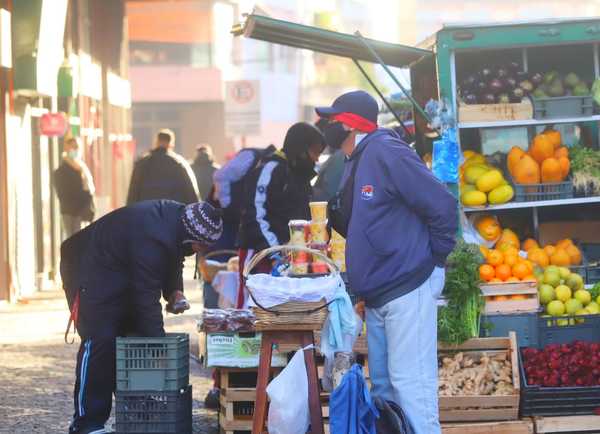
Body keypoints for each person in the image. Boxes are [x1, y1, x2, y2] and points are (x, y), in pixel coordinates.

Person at [316, 90, 458, 434]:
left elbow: (442, 204)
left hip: (407, 285)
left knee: (411, 386)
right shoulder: (357, 158)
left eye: (332, 120)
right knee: (384, 389)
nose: (326, 126)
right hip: (379, 294)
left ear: (350, 124)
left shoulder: (385, 151)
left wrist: (434, 260)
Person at [60, 200, 223, 434]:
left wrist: (173, 291)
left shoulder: (179, 221)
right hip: (88, 267)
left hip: (120, 269)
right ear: (193, 237)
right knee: (101, 340)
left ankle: (136, 414)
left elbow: (174, 256)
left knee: (132, 339)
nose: (201, 252)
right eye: (202, 246)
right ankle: (87, 424)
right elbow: (146, 297)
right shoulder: (153, 236)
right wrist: (159, 344)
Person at [237, 122, 325, 307]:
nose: (316, 159)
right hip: (259, 252)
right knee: (252, 306)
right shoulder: (271, 169)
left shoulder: (300, 175)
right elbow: (256, 213)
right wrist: (276, 250)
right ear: (301, 148)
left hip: (289, 255)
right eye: (315, 152)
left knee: (282, 308)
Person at [127, 129, 199, 205]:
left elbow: (133, 192)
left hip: (147, 211)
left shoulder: (142, 163)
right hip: (172, 211)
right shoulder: (179, 163)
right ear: (171, 143)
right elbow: (191, 193)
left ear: (156, 142)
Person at [53, 137, 95, 239]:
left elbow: (89, 189)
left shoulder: (82, 168)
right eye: (73, 147)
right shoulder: (61, 171)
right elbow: (62, 193)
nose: (75, 150)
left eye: (77, 147)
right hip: (70, 212)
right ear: (66, 149)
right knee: (73, 240)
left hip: (82, 212)